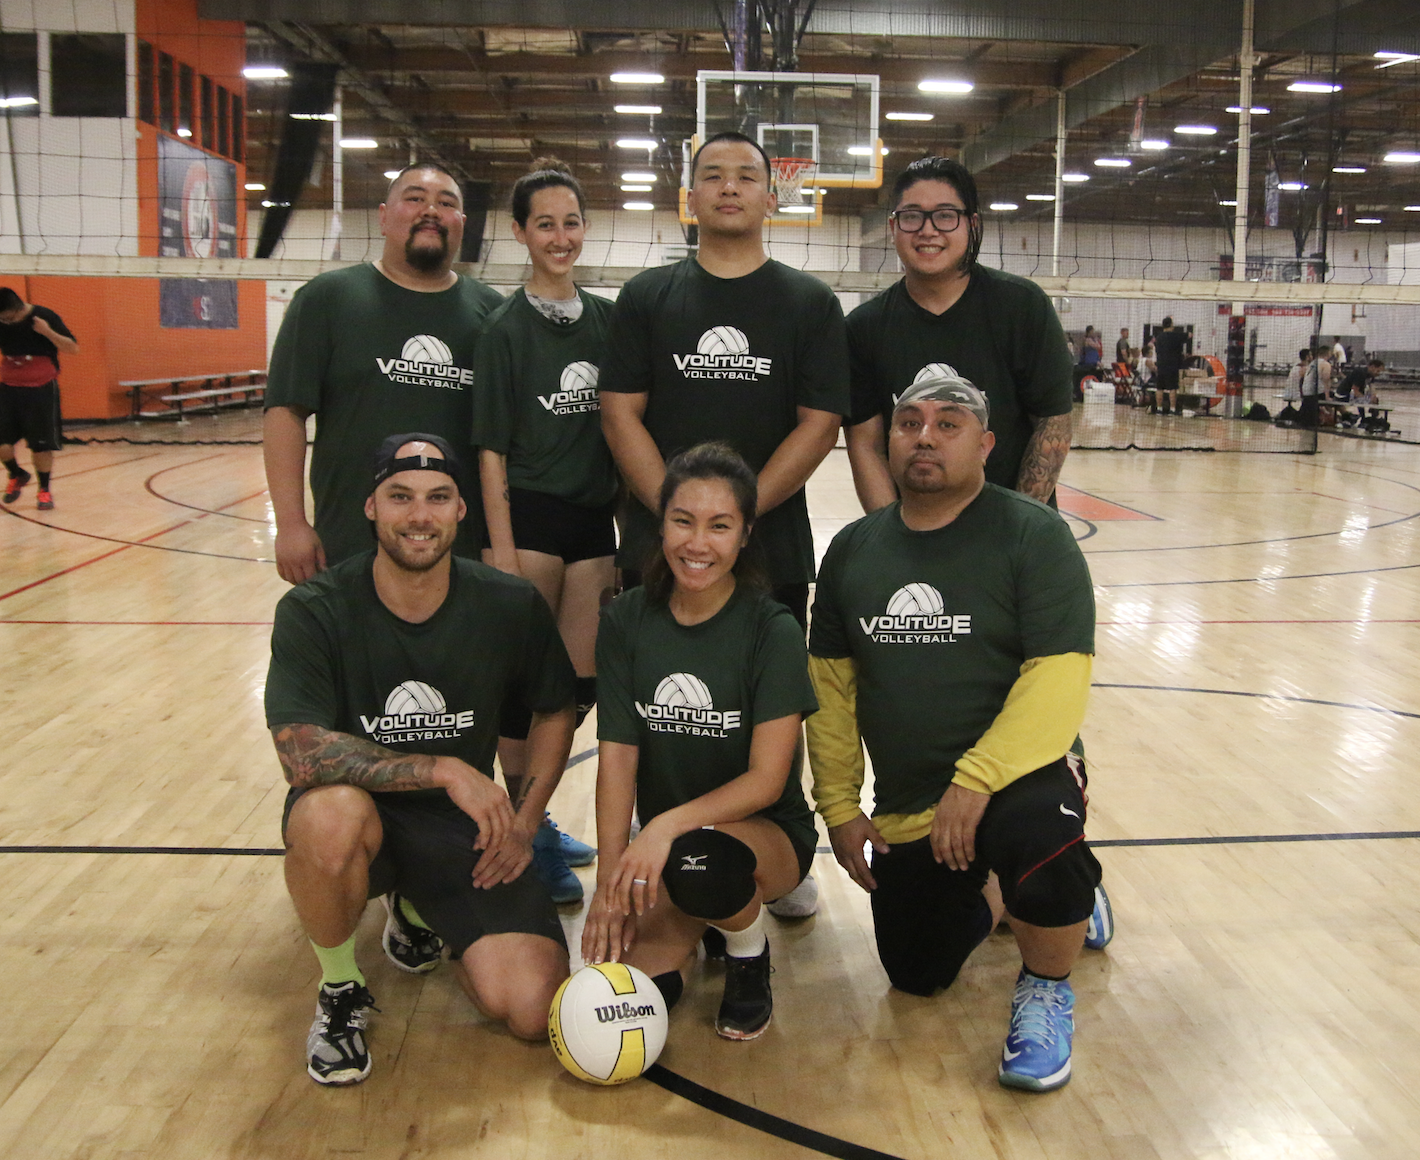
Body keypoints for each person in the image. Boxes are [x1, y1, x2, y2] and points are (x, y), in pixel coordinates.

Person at [806, 373, 1104, 1093]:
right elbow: (831, 692)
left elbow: (1059, 677)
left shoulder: (1034, 535)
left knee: (1038, 839)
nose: (925, 437)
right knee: (916, 971)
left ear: (986, 443)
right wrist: (841, 807)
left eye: (948, 424)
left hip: (1017, 774)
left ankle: (1046, 980)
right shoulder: (852, 550)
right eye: (910, 422)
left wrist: (977, 778)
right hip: (913, 800)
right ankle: (1011, 889)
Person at [266, 434, 576, 1086]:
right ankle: (342, 988)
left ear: (462, 509)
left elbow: (554, 711)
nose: (419, 515)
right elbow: (299, 748)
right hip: (363, 820)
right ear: (371, 506)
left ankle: (418, 908)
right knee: (328, 818)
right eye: (400, 497)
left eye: (438, 498)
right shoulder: (315, 609)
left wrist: (524, 820)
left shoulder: (508, 603)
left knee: (529, 1008)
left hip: (459, 828)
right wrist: (439, 767)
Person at [582, 442, 819, 1041]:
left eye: (720, 526)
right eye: (683, 521)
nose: (697, 543)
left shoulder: (773, 629)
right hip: (672, 849)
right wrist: (612, 879)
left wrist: (661, 827)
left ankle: (747, 950)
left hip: (764, 837)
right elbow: (617, 759)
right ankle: (704, 924)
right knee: (630, 991)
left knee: (706, 864)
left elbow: (767, 780)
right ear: (659, 523)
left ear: (744, 536)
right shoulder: (626, 620)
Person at [599, 130, 849, 632]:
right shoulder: (645, 297)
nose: (729, 188)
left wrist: (737, 516)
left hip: (770, 547)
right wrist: (680, 520)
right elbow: (619, 415)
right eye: (712, 177)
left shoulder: (811, 303)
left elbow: (820, 426)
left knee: (766, 704)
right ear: (691, 200)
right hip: (657, 547)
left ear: (772, 200)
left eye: (746, 177)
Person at [471, 157, 614, 904]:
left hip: (593, 522)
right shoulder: (503, 329)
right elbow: (489, 450)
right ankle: (530, 837)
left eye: (571, 222)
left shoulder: (606, 319)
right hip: (525, 518)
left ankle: (538, 820)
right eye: (545, 224)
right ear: (522, 233)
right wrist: (497, 549)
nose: (560, 236)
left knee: (574, 688)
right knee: (525, 693)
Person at [264, 162, 505, 585]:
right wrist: (291, 524)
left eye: (446, 203)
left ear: (462, 224)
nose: (430, 210)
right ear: (383, 216)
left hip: (459, 546)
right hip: (350, 542)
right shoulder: (327, 299)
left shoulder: (492, 311)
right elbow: (286, 412)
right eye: (414, 198)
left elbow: (502, 441)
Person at [843, 156, 1073, 514]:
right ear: (894, 226)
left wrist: (1019, 531)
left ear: (972, 224)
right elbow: (866, 445)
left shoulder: (1023, 307)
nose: (928, 230)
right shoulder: (864, 327)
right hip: (915, 534)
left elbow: (1052, 426)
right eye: (912, 215)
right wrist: (892, 536)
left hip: (1012, 531)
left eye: (946, 215)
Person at [0, 287, 78, 511]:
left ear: (18, 308)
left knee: (40, 446)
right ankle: (17, 474)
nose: (5, 321)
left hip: (41, 390)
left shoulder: (45, 317)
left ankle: (44, 490)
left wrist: (48, 333)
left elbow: (73, 348)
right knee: (3, 445)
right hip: (8, 388)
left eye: (8, 317)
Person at [1151, 317, 1188, 416]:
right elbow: (1188, 335)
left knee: (1159, 388)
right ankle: (1172, 409)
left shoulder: (1158, 337)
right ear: (1171, 325)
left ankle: (1159, 409)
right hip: (1172, 366)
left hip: (1161, 365)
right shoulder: (1175, 336)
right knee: (1172, 388)